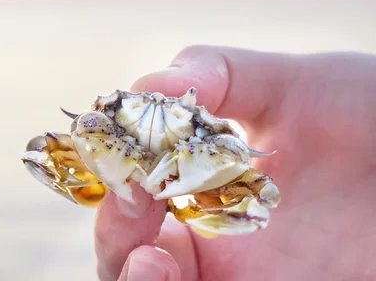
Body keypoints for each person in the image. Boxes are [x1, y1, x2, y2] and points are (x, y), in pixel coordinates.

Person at [94, 45, 376, 281]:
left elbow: (258, 182)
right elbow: (87, 126)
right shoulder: (99, 124)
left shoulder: (218, 143)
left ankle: (213, 213)